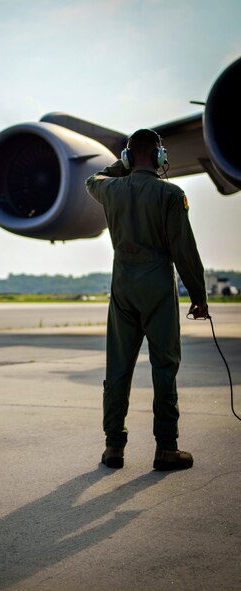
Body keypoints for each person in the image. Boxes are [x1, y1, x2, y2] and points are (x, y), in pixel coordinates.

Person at [85, 129, 208, 471]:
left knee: (118, 368)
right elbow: (184, 249)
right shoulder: (171, 194)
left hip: (122, 287)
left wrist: (120, 166)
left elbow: (92, 179)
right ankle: (166, 448)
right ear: (159, 157)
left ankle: (114, 447)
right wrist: (198, 295)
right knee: (164, 367)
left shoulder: (110, 188)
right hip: (157, 287)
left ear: (127, 157)